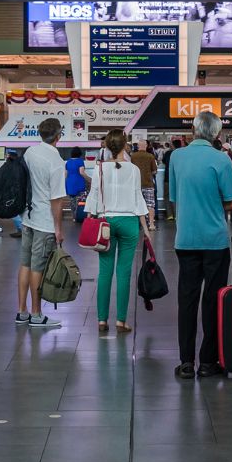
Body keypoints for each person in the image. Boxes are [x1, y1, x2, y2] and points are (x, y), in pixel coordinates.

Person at [169, 111, 232, 377]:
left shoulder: (176, 157)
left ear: (193, 130)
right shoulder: (220, 160)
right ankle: (208, 361)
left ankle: (186, 361)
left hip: (185, 238)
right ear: (217, 134)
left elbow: (174, 197)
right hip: (215, 241)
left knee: (186, 300)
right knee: (213, 299)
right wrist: (215, 204)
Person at [85, 129, 152, 335]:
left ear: (106, 147)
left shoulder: (100, 170)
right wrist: (146, 227)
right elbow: (137, 198)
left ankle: (102, 320)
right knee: (124, 273)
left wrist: (90, 218)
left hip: (106, 222)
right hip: (129, 222)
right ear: (125, 146)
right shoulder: (133, 170)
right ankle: (121, 321)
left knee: (105, 272)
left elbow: (94, 197)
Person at [16, 118, 68, 329]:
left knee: (25, 264)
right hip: (44, 221)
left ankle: (22, 311)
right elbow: (56, 200)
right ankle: (37, 314)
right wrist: (58, 228)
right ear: (58, 136)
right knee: (38, 267)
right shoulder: (55, 161)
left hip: (27, 217)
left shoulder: (30, 152)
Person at [130, 139, 159, 214]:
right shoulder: (150, 156)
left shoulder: (133, 156)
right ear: (146, 146)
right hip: (148, 184)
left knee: (137, 204)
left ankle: (140, 222)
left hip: (136, 185)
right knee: (150, 205)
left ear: (138, 146)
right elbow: (154, 171)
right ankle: (150, 223)